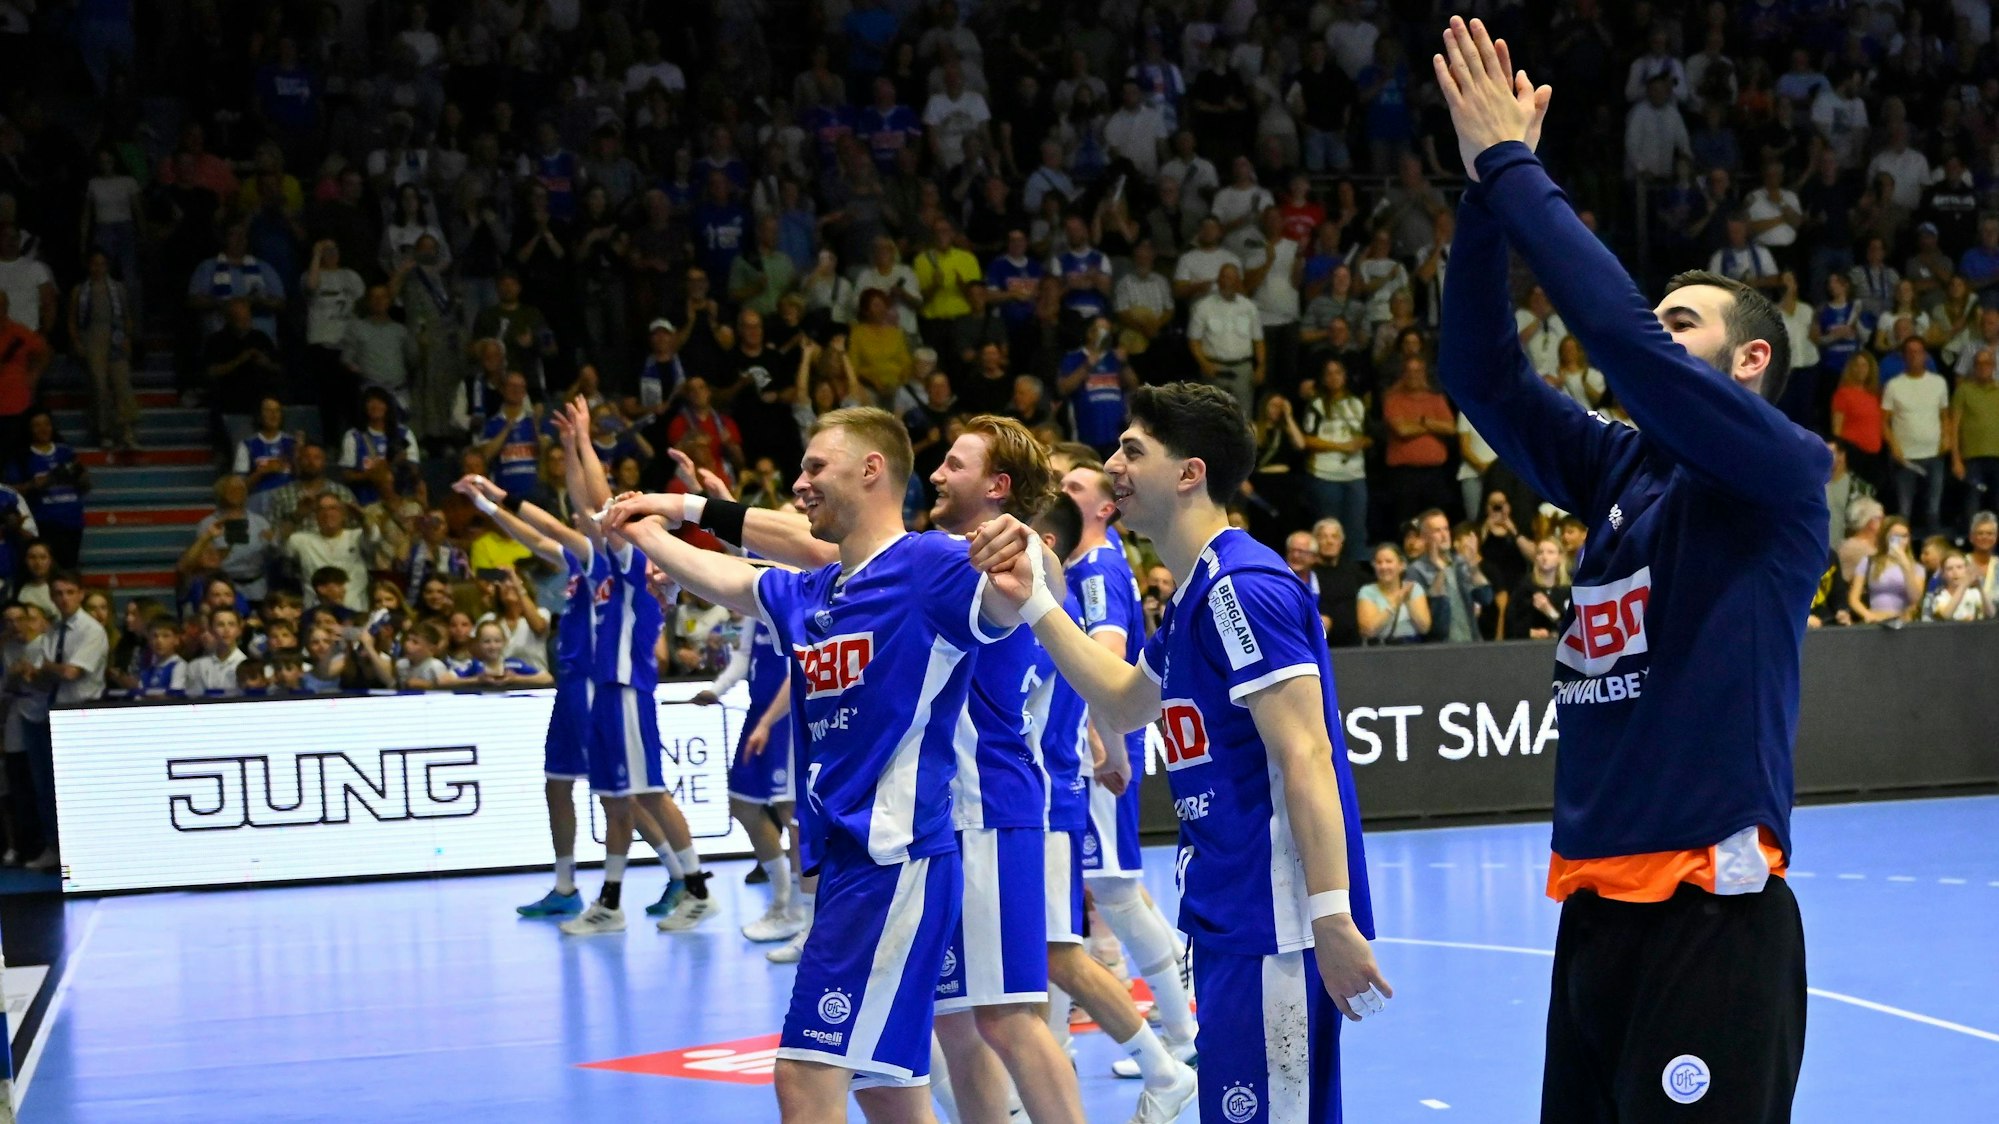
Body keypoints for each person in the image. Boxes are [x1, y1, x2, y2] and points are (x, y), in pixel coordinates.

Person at [1434, 19, 1822, 1120]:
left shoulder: (1775, 471)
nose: (1654, 332)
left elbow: (1619, 342)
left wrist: (1516, 166)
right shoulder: (1620, 466)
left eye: (1680, 323)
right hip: (1597, 906)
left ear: (1748, 358)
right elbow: (1480, 372)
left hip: (1712, 912)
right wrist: (1478, 197)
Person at [969, 381, 1387, 1122]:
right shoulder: (1196, 593)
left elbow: (1306, 756)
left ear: (1189, 472)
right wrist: (1036, 600)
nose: (1112, 465)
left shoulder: (1241, 587)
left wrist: (1329, 916)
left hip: (1275, 924)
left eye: (1132, 451)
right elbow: (1127, 701)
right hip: (1230, 913)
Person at [601, 407, 1029, 1121]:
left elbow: (1010, 597)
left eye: (812, 468)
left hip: (895, 860)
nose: (798, 485)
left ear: (870, 470)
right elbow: (732, 580)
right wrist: (646, 528)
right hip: (849, 866)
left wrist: (1023, 558)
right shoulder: (817, 591)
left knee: (804, 1079)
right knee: (888, 1090)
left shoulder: (926, 564)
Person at [545, 400, 710, 936]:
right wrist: (573, 447)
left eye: (631, 504)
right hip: (605, 689)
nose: (619, 506)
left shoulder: (639, 558)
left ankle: (698, 889)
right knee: (619, 799)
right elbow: (586, 505)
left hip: (627, 690)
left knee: (649, 794)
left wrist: (586, 443)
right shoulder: (619, 557)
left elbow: (595, 500)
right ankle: (611, 903)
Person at [17, 572, 106, 870]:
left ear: (81, 594)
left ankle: (88, 849)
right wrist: (38, 672)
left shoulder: (91, 629)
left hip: (81, 713)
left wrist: (44, 667)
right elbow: (46, 679)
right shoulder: (54, 631)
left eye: (70, 592)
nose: (64, 598)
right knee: (48, 787)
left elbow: (72, 673)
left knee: (78, 788)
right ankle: (55, 847)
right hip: (51, 711)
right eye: (58, 593)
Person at [1880, 338, 1952, 538]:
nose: (1914, 355)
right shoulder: (1894, 385)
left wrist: (1947, 438)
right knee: (1904, 511)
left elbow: (1945, 415)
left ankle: (1935, 556)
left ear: (1926, 356)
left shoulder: (1938, 382)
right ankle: (1902, 558)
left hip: (1934, 455)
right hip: (1906, 457)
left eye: (1918, 351)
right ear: (1903, 357)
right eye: (1909, 352)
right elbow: (1884, 421)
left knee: (1933, 510)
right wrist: (1894, 447)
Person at [12, 410, 88, 568]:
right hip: (45, 524)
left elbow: (85, 485)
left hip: (73, 522)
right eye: (37, 425)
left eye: (46, 424)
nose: (43, 429)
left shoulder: (65, 451)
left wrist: (81, 477)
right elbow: (8, 491)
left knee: (69, 569)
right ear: (29, 429)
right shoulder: (22, 456)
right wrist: (33, 485)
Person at [1847, 516, 1924, 623]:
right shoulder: (1869, 562)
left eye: (1905, 536)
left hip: (1903, 621)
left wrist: (1905, 566)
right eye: (1895, 536)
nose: (1900, 540)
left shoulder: (1917, 568)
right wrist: (1867, 614)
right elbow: (1853, 598)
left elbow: (1915, 598)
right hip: (1875, 618)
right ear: (1885, 537)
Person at [1356, 542, 1430, 643]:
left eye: (1389, 562)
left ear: (1401, 565)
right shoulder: (1367, 591)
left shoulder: (1413, 588)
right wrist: (1395, 604)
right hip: (1379, 652)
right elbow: (1368, 630)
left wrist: (1408, 601)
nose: (1383, 567)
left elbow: (1424, 628)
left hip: (1411, 649)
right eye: (1379, 562)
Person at [1501, 538, 1572, 639]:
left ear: (1560, 557)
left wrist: (1550, 611)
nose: (1544, 557)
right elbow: (1510, 625)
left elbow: (1575, 631)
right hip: (1529, 648)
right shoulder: (1524, 588)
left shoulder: (1568, 591)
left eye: (1550, 552)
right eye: (1540, 553)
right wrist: (1530, 633)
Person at [1920, 551, 1986, 621]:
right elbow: (1946, 615)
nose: (1955, 572)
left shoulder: (1974, 593)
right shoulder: (1937, 595)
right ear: (1943, 574)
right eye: (1949, 568)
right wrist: (1964, 585)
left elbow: (1991, 614)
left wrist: (1981, 588)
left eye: (1959, 567)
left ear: (1967, 570)